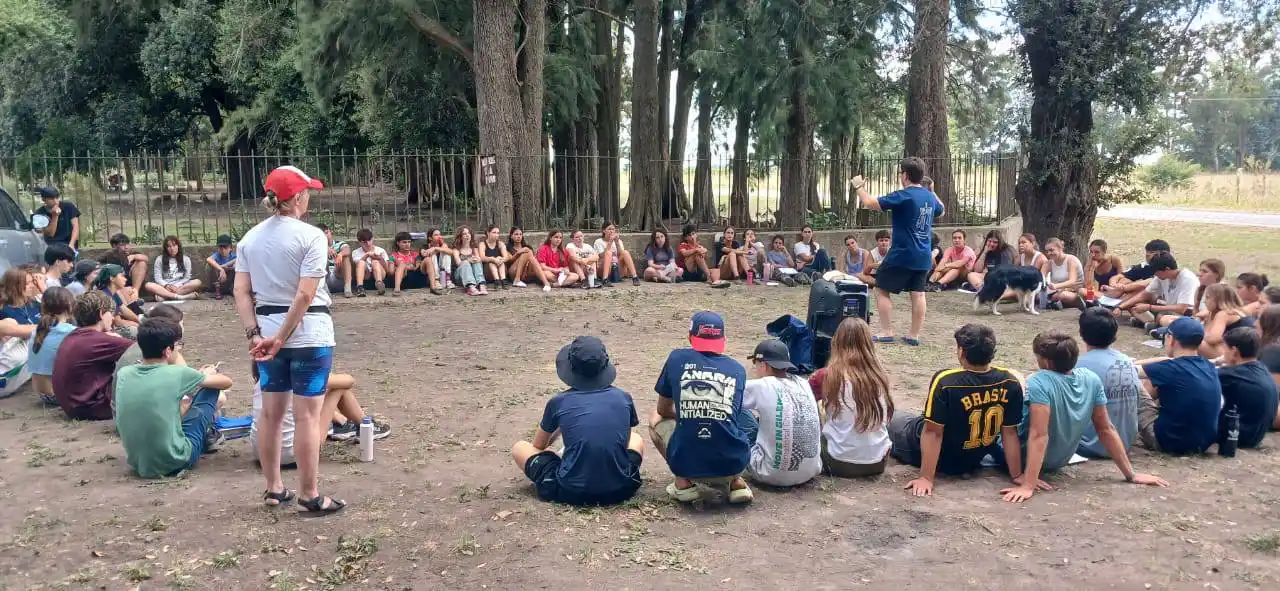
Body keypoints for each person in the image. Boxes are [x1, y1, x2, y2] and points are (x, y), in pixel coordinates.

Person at [234, 165, 345, 514]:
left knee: (271, 414)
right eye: (307, 191)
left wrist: (258, 334)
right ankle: (309, 493)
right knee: (307, 417)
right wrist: (283, 337)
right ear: (297, 198)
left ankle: (273, 488)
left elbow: (240, 291)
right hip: (309, 333)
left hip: (265, 332)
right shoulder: (311, 236)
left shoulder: (249, 239)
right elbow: (305, 295)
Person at [1002, 331, 1167, 503]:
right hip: (1059, 460)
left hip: (1024, 457)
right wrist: (1131, 474)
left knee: (1010, 403)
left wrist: (1027, 483)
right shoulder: (1091, 379)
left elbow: (1039, 435)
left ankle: (1017, 473)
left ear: (1046, 362)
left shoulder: (1038, 381)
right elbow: (1105, 428)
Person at [890, 324, 1024, 497]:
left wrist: (926, 478)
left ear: (961, 352)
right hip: (971, 460)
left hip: (923, 448)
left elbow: (932, 433)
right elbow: (1010, 433)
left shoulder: (946, 381)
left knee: (887, 417)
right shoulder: (1010, 381)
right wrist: (1018, 475)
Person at [511, 336, 644, 505]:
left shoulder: (559, 402)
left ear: (570, 368)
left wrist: (560, 425)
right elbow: (623, 443)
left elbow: (539, 445)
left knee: (520, 448)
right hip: (622, 488)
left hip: (571, 491)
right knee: (636, 438)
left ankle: (566, 470)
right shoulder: (623, 398)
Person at [649, 311, 755, 504]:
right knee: (732, 420)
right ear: (723, 339)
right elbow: (734, 415)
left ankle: (683, 482)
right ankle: (735, 482)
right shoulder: (737, 369)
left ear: (690, 336)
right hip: (732, 463)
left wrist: (687, 415)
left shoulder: (676, 359)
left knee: (654, 417)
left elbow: (663, 410)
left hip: (688, 463)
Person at [114, 318, 234, 478]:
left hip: (139, 463)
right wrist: (207, 374)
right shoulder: (179, 373)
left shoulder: (125, 374)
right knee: (210, 390)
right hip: (177, 460)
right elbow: (226, 383)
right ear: (167, 351)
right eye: (177, 345)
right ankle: (210, 436)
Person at [851, 157, 944, 346]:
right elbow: (941, 211)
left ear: (905, 175)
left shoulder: (904, 195)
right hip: (923, 256)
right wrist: (933, 192)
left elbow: (869, 203)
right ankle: (913, 335)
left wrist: (858, 186)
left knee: (881, 288)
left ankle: (887, 331)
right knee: (918, 294)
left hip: (902, 254)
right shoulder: (928, 196)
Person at [250, 366, 391, 468]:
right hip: (293, 455)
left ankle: (343, 423)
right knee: (338, 388)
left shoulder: (264, 374)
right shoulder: (301, 372)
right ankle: (365, 424)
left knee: (310, 395)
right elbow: (349, 381)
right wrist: (325, 373)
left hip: (262, 454)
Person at [818, 317, 894, 477]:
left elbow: (801, 400)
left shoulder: (827, 375)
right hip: (878, 462)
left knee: (817, 410)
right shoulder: (880, 376)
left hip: (838, 462)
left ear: (836, 342)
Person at [741, 339, 822, 486]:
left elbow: (726, 396)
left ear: (764, 365)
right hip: (811, 470)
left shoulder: (762, 385)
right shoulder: (803, 383)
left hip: (768, 473)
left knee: (739, 409)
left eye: (756, 364)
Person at [1135, 317, 1221, 455]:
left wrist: (1129, 361)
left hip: (1168, 442)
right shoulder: (1209, 366)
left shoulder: (1170, 369)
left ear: (1171, 339)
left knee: (1131, 383)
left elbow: (1126, 371)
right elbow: (1171, 362)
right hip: (1203, 443)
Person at [51, 291, 135, 420]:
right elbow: (145, 348)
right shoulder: (97, 339)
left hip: (74, 406)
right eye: (111, 314)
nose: (112, 319)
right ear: (101, 313)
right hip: (91, 407)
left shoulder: (74, 336)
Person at [1075, 309, 1141, 458]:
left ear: (1081, 333)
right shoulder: (1126, 361)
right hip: (1125, 443)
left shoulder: (1079, 367)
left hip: (1090, 446)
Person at [1216, 327, 1278, 449]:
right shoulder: (1262, 369)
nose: (1223, 353)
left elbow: (1202, 374)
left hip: (1237, 437)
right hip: (1256, 435)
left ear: (1234, 352)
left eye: (1225, 349)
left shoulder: (1231, 375)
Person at [1113, 252, 1198, 331]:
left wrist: (1150, 307)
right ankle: (1154, 323)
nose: (1155, 275)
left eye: (1156, 272)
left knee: (1165, 318)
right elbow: (1144, 294)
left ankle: (1155, 324)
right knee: (1136, 306)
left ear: (1167, 269)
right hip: (1168, 309)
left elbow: (1182, 309)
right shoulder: (1161, 278)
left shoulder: (1187, 279)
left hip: (1185, 314)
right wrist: (1121, 307)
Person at [27, 286, 74, 404]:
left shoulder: (37, 331)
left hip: (42, 395)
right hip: (59, 396)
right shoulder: (70, 331)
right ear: (70, 306)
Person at [1198, 283, 1254, 358]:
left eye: (1208, 297)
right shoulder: (1213, 312)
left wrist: (1196, 333)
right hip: (1233, 352)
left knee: (1191, 341)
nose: (1204, 301)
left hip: (1233, 354)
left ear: (1219, 299)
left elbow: (1213, 338)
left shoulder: (1224, 314)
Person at [1102, 239, 1170, 298]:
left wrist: (1122, 288)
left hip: (1160, 299)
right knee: (1124, 280)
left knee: (1141, 289)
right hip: (1139, 298)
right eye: (1147, 252)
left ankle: (1116, 304)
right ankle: (1111, 301)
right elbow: (1119, 276)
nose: (1147, 255)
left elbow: (1149, 283)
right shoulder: (1143, 266)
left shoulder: (1166, 268)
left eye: (1151, 252)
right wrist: (1114, 284)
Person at [146, 236, 203, 301]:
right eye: (169, 246)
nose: (172, 248)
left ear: (178, 246)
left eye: (174, 245)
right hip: (164, 286)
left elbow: (187, 277)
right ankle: (180, 297)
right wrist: (166, 285)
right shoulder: (159, 259)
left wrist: (177, 286)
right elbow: (158, 278)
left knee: (197, 282)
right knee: (148, 285)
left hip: (180, 286)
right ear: (166, 248)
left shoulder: (186, 259)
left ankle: (165, 296)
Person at [96, 264, 142, 337]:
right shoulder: (106, 295)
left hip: (111, 328)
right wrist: (138, 325)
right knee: (135, 331)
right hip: (104, 331)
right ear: (112, 278)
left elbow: (125, 310)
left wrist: (140, 321)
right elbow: (118, 322)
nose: (125, 279)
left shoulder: (113, 293)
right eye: (122, 276)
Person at [1043, 238, 1085, 310]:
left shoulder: (1071, 260)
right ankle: (1056, 303)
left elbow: (1072, 281)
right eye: (1047, 251)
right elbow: (1041, 278)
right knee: (1037, 295)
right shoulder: (1048, 263)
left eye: (1051, 250)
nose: (1049, 253)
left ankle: (1077, 302)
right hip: (1054, 291)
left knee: (1060, 296)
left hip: (1073, 291)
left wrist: (1056, 286)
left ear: (1060, 248)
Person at [594, 222, 641, 286]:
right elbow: (601, 256)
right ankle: (605, 279)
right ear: (604, 231)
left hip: (617, 268)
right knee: (608, 253)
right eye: (609, 229)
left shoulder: (619, 241)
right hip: (604, 269)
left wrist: (617, 243)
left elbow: (620, 255)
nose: (611, 231)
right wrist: (610, 243)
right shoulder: (598, 242)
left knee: (625, 252)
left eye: (613, 229)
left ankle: (635, 277)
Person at [351, 228, 390, 297]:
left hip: (380, 273)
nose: (368, 244)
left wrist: (380, 259)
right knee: (361, 262)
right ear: (359, 242)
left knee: (375, 262)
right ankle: (360, 287)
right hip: (366, 274)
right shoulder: (355, 252)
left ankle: (379, 284)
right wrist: (367, 255)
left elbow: (387, 270)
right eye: (364, 242)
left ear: (372, 239)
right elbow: (358, 264)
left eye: (369, 240)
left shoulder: (380, 250)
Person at [319, 224, 354, 298]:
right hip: (324, 279)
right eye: (322, 234)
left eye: (326, 232)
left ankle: (348, 288)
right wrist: (325, 248)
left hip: (339, 275)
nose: (325, 236)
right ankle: (325, 290)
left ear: (330, 232)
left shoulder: (339, 243)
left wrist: (340, 254)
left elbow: (347, 250)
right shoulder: (315, 246)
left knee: (346, 257)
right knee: (320, 258)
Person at [453, 226, 490, 296]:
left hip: (474, 276)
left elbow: (479, 259)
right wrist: (469, 260)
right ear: (460, 237)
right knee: (465, 263)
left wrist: (476, 259)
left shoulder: (474, 248)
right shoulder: (456, 249)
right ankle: (470, 287)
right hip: (460, 277)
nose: (467, 235)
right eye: (464, 234)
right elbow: (458, 263)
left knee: (477, 261)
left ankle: (481, 284)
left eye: (469, 233)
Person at [206, 234, 238, 300]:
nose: (223, 250)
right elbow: (209, 259)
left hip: (230, 283)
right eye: (220, 247)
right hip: (218, 282)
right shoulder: (217, 255)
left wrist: (227, 265)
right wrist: (221, 269)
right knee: (209, 266)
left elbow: (239, 261)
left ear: (231, 248)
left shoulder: (233, 256)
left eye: (225, 247)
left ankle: (232, 289)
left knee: (236, 266)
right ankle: (217, 291)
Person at [389, 232, 419, 297]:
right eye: (404, 242)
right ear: (398, 243)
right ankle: (397, 289)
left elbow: (417, 268)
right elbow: (390, 272)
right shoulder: (393, 256)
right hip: (401, 281)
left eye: (409, 242)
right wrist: (403, 267)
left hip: (414, 280)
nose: (407, 244)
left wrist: (407, 267)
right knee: (402, 265)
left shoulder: (415, 254)